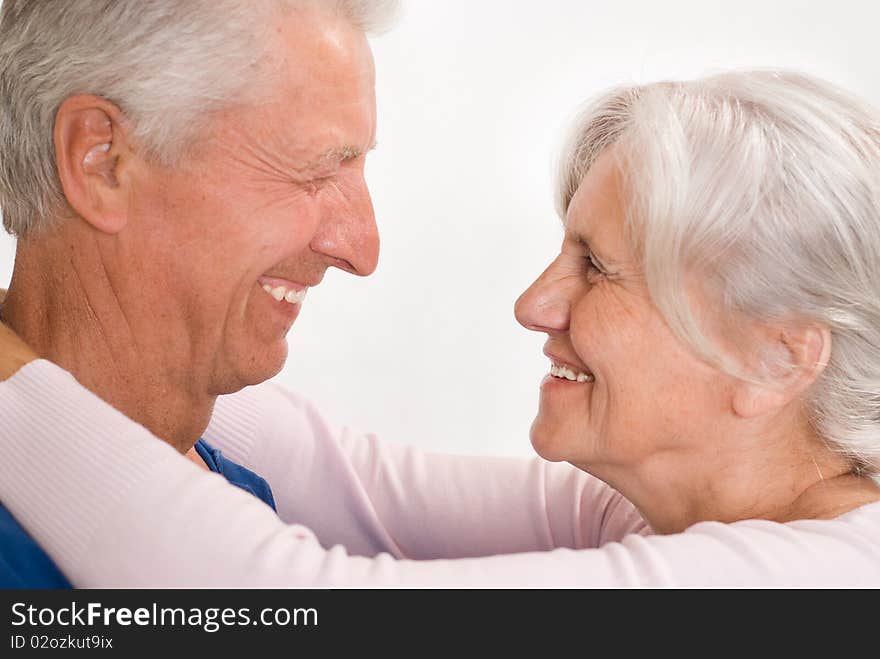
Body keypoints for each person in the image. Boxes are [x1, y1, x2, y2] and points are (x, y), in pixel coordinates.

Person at [2, 9, 880, 587]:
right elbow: (346, 478)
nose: (534, 303)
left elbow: (283, 602)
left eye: (599, 267)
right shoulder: (671, 508)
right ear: (100, 159)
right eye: (318, 166)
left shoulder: (817, 581)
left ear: (780, 356)